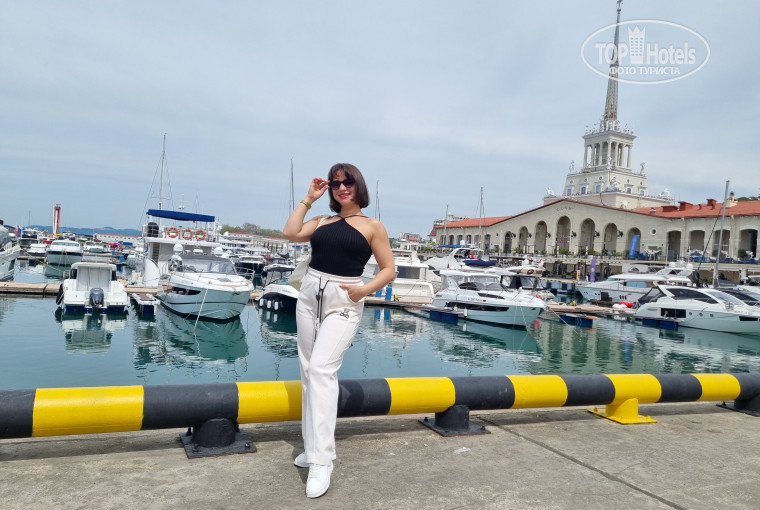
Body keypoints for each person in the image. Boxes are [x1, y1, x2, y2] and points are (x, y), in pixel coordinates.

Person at [282, 163, 395, 498]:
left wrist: (364, 290)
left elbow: (388, 269)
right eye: (335, 184)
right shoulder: (322, 221)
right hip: (309, 295)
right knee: (308, 372)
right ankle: (312, 447)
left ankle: (322, 459)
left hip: (343, 298)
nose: (342, 188)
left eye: (348, 183)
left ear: (358, 186)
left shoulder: (372, 226)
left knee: (321, 370)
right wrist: (308, 198)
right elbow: (290, 232)